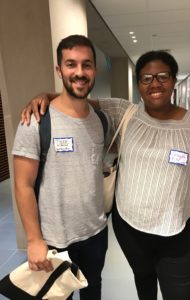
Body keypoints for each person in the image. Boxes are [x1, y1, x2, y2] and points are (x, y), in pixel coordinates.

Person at [21, 50, 190, 300]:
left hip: (178, 232)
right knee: (144, 282)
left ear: (173, 80)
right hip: (131, 229)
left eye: (162, 76)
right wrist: (45, 96)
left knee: (179, 293)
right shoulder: (124, 112)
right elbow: (76, 100)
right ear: (139, 84)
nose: (155, 84)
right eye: (146, 78)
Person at [13, 35, 110, 300]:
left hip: (96, 233)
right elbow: (22, 185)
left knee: (94, 291)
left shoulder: (101, 120)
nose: (79, 72)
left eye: (86, 65)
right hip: (54, 238)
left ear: (94, 70)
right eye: (71, 64)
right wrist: (34, 240)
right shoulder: (35, 121)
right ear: (59, 70)